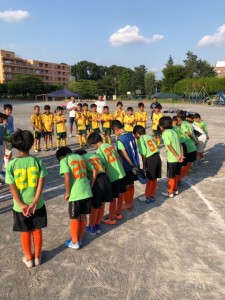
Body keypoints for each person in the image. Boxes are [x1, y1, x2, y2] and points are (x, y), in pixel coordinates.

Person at [5, 129, 48, 268]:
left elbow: (12, 187)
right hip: (38, 204)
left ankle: (28, 258)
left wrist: (21, 204)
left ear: (16, 146)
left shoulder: (11, 164)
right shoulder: (37, 161)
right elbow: (41, 182)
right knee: (37, 230)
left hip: (20, 206)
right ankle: (37, 257)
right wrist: (35, 201)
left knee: (25, 231)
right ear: (31, 144)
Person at [56, 147, 96, 249]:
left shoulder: (64, 160)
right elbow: (94, 170)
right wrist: (90, 186)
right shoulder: (80, 157)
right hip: (86, 191)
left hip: (76, 193)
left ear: (61, 157)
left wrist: (67, 192)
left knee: (74, 218)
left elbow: (67, 176)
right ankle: (79, 238)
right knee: (83, 216)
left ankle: (74, 242)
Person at [88, 132, 126, 225]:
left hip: (113, 176)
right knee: (120, 195)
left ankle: (112, 218)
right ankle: (118, 213)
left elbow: (105, 166)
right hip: (121, 172)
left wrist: (108, 178)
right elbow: (118, 157)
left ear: (93, 144)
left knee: (113, 198)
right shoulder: (109, 145)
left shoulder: (99, 150)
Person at [75, 149, 113, 235]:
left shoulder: (83, 158)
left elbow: (94, 172)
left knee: (95, 206)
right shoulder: (95, 155)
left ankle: (91, 228)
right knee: (102, 204)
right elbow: (105, 165)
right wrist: (106, 177)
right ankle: (97, 225)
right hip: (105, 178)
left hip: (97, 181)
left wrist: (91, 186)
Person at [111, 120, 139, 210]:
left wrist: (130, 164)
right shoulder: (130, 134)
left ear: (116, 129)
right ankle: (130, 202)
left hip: (128, 166)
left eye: (113, 131)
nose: (114, 133)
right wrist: (134, 164)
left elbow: (124, 153)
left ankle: (127, 204)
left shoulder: (120, 140)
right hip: (135, 162)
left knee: (127, 185)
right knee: (131, 184)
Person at [133, 125, 162, 204]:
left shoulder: (140, 140)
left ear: (137, 133)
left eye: (135, 135)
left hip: (150, 159)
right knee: (154, 178)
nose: (135, 137)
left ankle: (147, 197)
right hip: (157, 158)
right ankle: (152, 196)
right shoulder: (149, 137)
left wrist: (144, 166)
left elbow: (144, 154)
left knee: (149, 179)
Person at [159, 116, 183, 198]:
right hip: (178, 157)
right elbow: (180, 144)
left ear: (162, 126)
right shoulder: (174, 132)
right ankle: (175, 189)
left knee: (171, 176)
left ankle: (170, 192)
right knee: (176, 174)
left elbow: (169, 146)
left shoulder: (165, 133)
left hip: (172, 158)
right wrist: (180, 155)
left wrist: (176, 156)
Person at [177, 111, 197, 176]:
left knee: (185, 162)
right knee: (189, 162)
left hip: (188, 145)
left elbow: (188, 133)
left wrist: (194, 139)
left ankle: (183, 175)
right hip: (192, 145)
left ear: (179, 117)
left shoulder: (183, 124)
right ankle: (186, 173)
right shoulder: (187, 123)